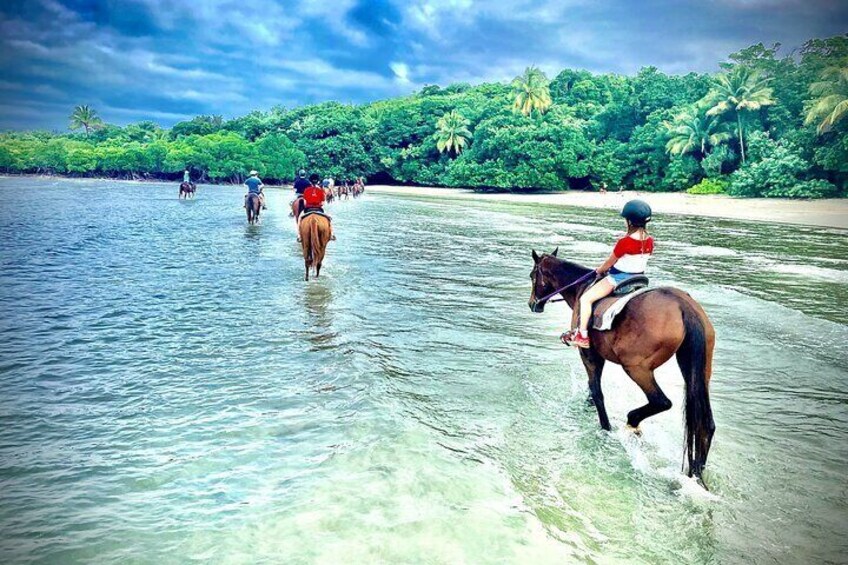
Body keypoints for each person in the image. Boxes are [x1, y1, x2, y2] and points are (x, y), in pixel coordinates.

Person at [563, 199, 654, 349]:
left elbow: (609, 263)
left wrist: (599, 270)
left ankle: (582, 336)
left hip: (619, 278)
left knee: (585, 299)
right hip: (639, 279)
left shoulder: (624, 242)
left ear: (629, 221)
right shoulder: (650, 241)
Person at [297, 174, 335, 242]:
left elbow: (305, 203)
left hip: (308, 209)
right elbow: (323, 203)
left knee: (299, 218)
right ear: (318, 182)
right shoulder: (321, 190)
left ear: (310, 182)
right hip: (319, 209)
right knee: (329, 219)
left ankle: (299, 235)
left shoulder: (306, 190)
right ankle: (332, 234)